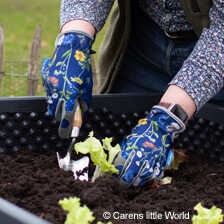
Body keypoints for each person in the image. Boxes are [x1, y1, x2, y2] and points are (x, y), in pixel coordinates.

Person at [41, 0, 224, 187]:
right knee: (124, 162)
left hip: (216, 59)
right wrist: (74, 40)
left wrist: (165, 121)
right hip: (144, 42)